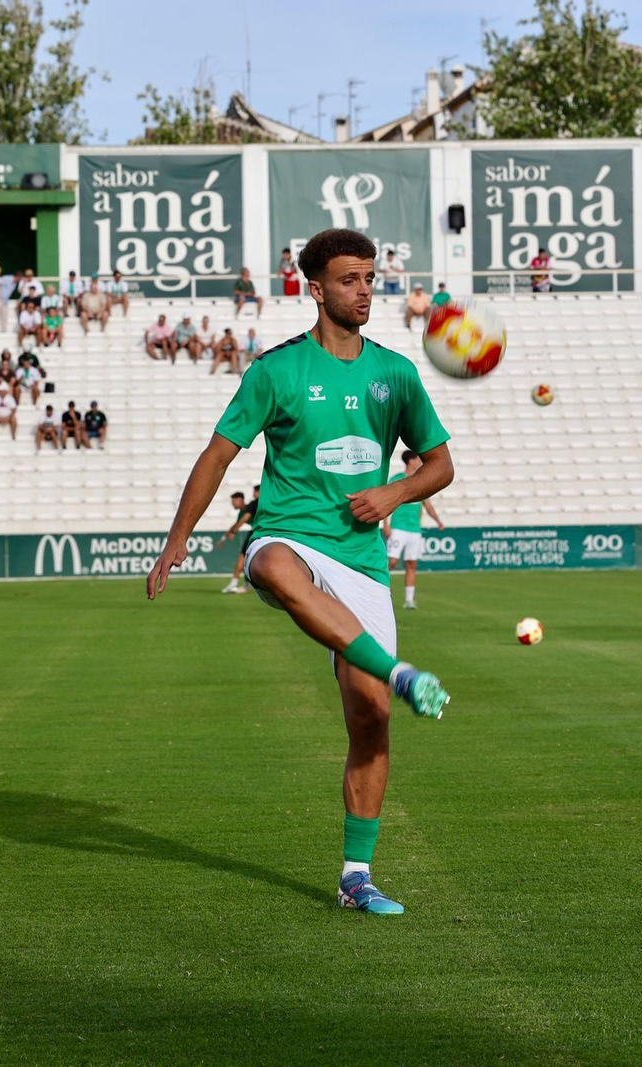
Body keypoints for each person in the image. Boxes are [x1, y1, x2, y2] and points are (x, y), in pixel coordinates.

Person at [146, 227, 454, 916]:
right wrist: (177, 540)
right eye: (349, 280)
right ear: (314, 289)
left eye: (370, 278)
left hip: (361, 560)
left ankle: (356, 878)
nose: (364, 291)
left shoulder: (397, 373)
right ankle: (401, 673)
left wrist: (395, 493)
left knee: (370, 719)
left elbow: (439, 464)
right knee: (272, 566)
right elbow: (218, 455)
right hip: (289, 534)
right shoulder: (275, 371)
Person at [382, 450, 445, 611]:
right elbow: (386, 501)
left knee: (412, 563)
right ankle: (377, 590)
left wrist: (438, 521)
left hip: (414, 530)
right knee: (391, 561)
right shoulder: (397, 479)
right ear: (411, 461)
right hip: (398, 528)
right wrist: (385, 524)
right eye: (418, 459)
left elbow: (427, 505)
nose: (420, 461)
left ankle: (409, 600)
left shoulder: (420, 480)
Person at [217, 487, 259, 594]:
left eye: (233, 501)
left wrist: (234, 531)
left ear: (240, 500)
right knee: (246, 559)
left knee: (243, 557)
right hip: (257, 532)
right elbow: (236, 525)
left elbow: (243, 520)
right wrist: (226, 536)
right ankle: (244, 585)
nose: (232, 504)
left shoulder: (252, 505)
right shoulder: (244, 511)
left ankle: (234, 583)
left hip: (257, 532)